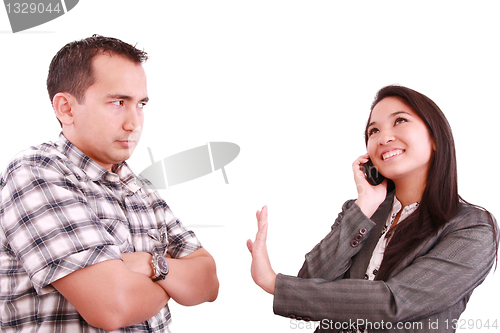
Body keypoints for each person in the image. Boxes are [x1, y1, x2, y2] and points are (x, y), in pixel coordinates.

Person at [0, 35, 219, 332]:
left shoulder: (138, 187)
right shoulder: (36, 172)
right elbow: (113, 306)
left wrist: (148, 264)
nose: (134, 123)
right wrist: (172, 280)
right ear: (66, 108)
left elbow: (207, 282)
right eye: (118, 102)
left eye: (141, 104)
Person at [247, 85, 498, 332]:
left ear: (434, 137)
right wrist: (365, 203)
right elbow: (309, 283)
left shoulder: (472, 227)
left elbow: (393, 303)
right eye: (373, 130)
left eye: (400, 121)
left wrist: (274, 283)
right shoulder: (360, 212)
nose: (384, 138)